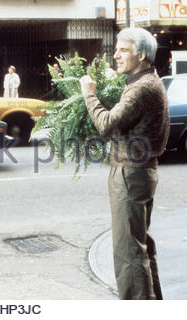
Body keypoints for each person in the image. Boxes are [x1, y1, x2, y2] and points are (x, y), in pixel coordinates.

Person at [79, 27, 169, 300]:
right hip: (139, 171)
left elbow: (107, 124)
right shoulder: (146, 82)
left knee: (128, 252)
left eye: (123, 50)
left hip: (130, 173)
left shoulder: (141, 87)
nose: (115, 55)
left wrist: (88, 94)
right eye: (116, 49)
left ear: (142, 55)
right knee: (140, 246)